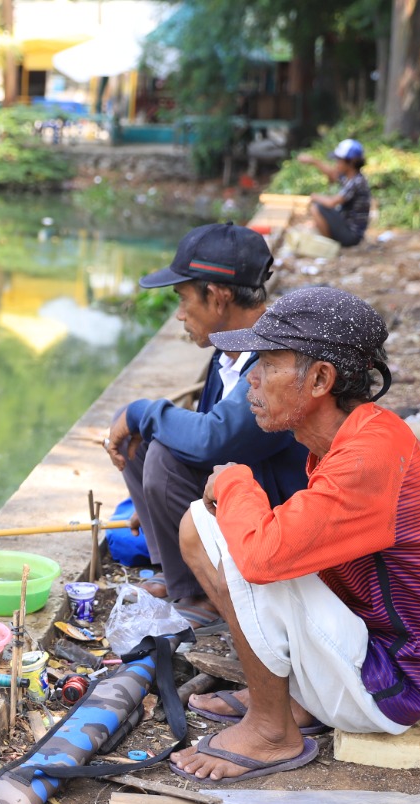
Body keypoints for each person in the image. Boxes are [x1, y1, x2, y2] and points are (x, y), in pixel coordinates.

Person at [169, 286, 420, 782]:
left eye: (268, 363)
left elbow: (262, 560)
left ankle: (272, 731)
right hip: (374, 653)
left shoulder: (366, 457)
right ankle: (289, 700)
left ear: (319, 379)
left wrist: (235, 479)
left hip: (393, 685)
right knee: (208, 526)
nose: (252, 380)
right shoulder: (360, 434)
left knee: (232, 541)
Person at [104, 223, 309, 630]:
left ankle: (205, 596)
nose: (179, 314)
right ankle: (177, 572)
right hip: (243, 487)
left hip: (286, 518)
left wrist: (141, 410)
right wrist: (155, 505)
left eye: (182, 299)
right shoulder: (226, 353)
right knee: (144, 444)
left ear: (216, 297)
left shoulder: (274, 360)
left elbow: (213, 439)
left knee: (162, 451)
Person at [297, 138, 372, 248]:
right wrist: (314, 161)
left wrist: (314, 196)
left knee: (316, 208)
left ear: (351, 162)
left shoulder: (356, 182)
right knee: (319, 206)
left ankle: (330, 246)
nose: (336, 164)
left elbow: (332, 203)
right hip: (348, 227)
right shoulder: (350, 177)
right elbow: (332, 174)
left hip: (352, 235)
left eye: (339, 161)